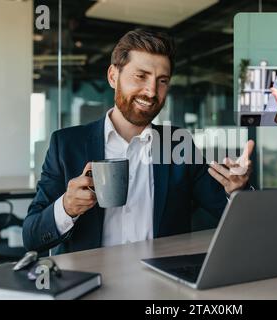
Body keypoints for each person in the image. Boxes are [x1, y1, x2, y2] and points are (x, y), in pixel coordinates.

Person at [23, 29, 254, 254]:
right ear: (113, 76)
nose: (152, 91)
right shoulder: (66, 145)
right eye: (140, 76)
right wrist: (66, 208)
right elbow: (32, 237)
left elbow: (231, 214)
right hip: (91, 285)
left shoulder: (177, 144)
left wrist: (236, 191)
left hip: (162, 285)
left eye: (162, 80)